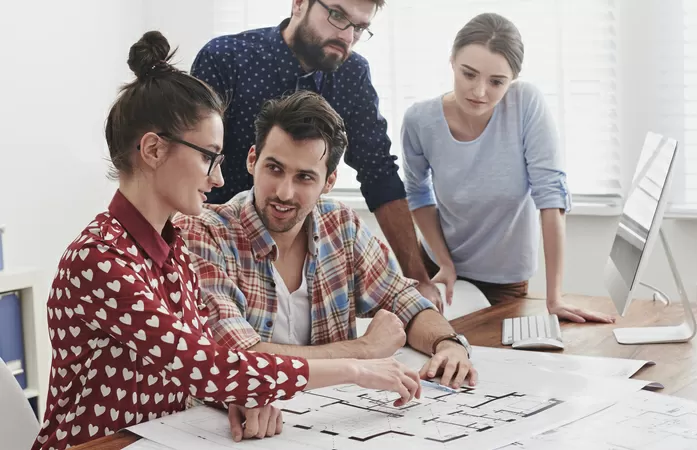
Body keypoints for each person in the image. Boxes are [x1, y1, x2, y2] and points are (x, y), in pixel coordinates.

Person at [33, 31, 423, 450]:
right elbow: (208, 364)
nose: (218, 178)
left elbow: (199, 366)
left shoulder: (172, 247)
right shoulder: (101, 259)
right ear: (152, 149)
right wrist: (360, 367)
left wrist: (231, 398)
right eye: (208, 157)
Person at [173, 90, 477, 392]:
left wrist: (449, 345)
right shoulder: (203, 233)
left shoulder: (341, 225)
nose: (284, 192)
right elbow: (238, 357)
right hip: (243, 421)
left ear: (329, 182)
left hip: (332, 420)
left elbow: (403, 300)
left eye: (304, 177)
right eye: (274, 169)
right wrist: (364, 351)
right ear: (253, 160)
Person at [190, 0, 444, 309]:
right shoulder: (226, 58)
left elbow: (379, 173)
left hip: (304, 262)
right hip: (220, 253)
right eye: (337, 15)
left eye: (360, 27)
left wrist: (418, 280)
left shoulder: (353, 74)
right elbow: (192, 160)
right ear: (299, 4)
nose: (347, 36)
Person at [401, 13, 616, 323]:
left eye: (496, 82)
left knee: (499, 362)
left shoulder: (525, 104)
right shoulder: (420, 120)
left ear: (513, 79)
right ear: (452, 62)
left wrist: (554, 297)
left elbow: (550, 195)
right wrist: (445, 263)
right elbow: (418, 193)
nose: (479, 91)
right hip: (439, 269)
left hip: (505, 280)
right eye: (469, 74)